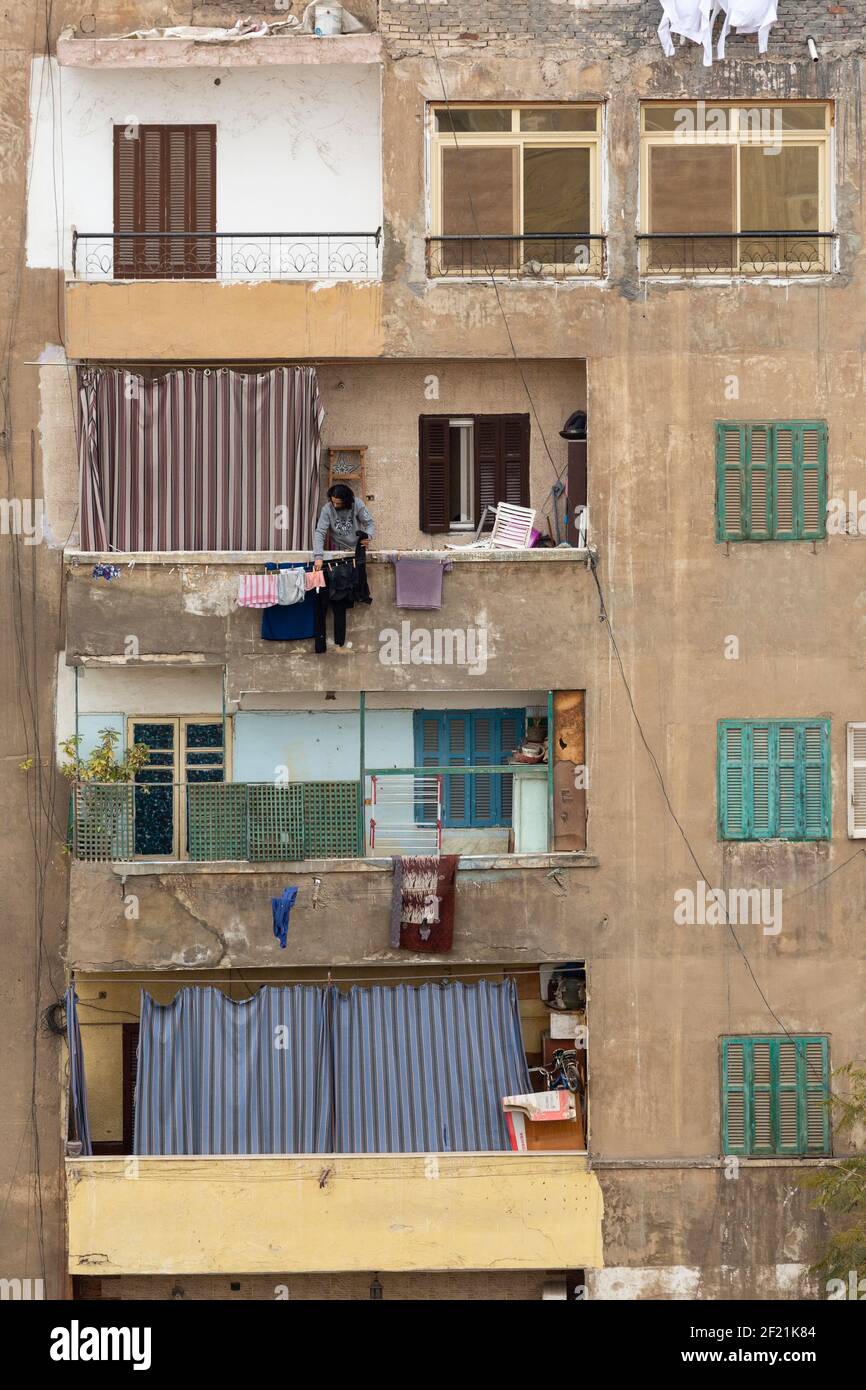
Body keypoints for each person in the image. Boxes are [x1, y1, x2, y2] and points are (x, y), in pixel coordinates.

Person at [312, 483, 375, 570]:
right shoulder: (327, 509)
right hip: (337, 551)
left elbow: (369, 523)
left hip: (357, 550)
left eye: (339, 503)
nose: (335, 506)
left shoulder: (357, 504)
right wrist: (318, 556)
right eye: (333, 502)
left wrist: (368, 536)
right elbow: (320, 532)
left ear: (347, 501)